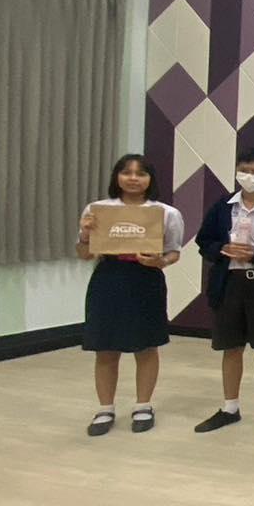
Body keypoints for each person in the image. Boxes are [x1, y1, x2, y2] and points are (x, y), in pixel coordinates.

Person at [76, 154, 185, 436]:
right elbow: (84, 254)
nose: (133, 178)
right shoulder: (98, 210)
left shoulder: (166, 213)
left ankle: (143, 405)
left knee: (146, 345)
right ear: (117, 176)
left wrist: (160, 261)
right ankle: (105, 409)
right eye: (127, 172)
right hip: (108, 278)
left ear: (151, 179)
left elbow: (174, 252)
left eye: (141, 173)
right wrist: (86, 235)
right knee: (105, 346)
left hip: (146, 279)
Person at [193, 147, 254, 434]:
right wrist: (222, 249)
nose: (249, 176)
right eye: (244, 170)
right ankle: (230, 407)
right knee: (231, 347)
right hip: (229, 282)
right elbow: (204, 241)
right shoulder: (224, 206)